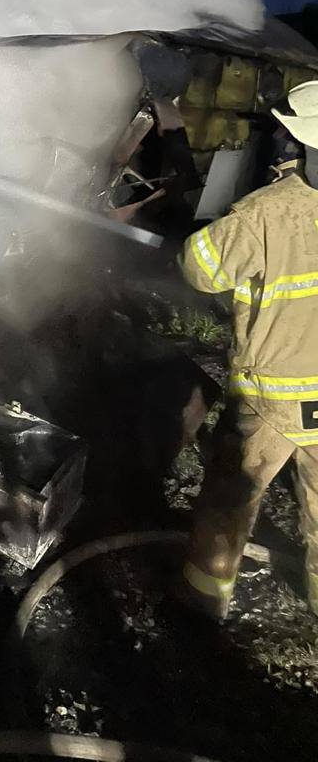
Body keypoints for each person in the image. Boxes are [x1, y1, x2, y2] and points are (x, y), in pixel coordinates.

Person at [177, 80, 318, 619]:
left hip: (272, 396)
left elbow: (200, 269)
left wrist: (264, 193)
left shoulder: (266, 214)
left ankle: (201, 605)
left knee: (230, 500)